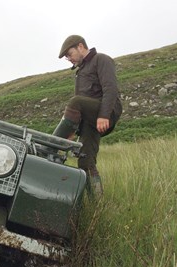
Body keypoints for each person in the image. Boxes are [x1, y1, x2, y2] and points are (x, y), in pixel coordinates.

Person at [55, 35, 122, 197]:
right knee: (85, 162)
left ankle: (50, 145)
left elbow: (110, 89)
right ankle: (97, 202)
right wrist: (74, 131)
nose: (69, 59)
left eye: (69, 54)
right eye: (66, 57)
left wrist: (104, 115)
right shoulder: (81, 71)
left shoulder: (101, 59)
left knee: (75, 102)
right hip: (90, 120)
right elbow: (80, 112)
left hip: (106, 112)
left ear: (80, 46)